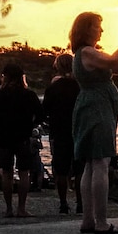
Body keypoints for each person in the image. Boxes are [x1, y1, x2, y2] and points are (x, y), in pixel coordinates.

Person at [70, 12, 118, 234]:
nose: (102, 30)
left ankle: (89, 220)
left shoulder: (84, 54)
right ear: (87, 28)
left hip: (92, 106)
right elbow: (116, 63)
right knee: (100, 162)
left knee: (91, 164)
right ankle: (100, 222)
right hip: (97, 108)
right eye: (98, 26)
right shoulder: (88, 52)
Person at [0, 62, 44, 218]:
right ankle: (22, 208)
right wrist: (31, 124)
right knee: (24, 172)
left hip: (4, 136)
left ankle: (9, 209)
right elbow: (41, 114)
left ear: (5, 77)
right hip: (23, 136)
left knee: (7, 173)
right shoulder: (29, 95)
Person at [42, 53, 82, 214]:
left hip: (58, 132)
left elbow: (44, 110)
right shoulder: (79, 86)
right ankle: (81, 203)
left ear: (57, 66)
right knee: (80, 170)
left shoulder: (52, 88)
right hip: (78, 130)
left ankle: (63, 203)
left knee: (61, 170)